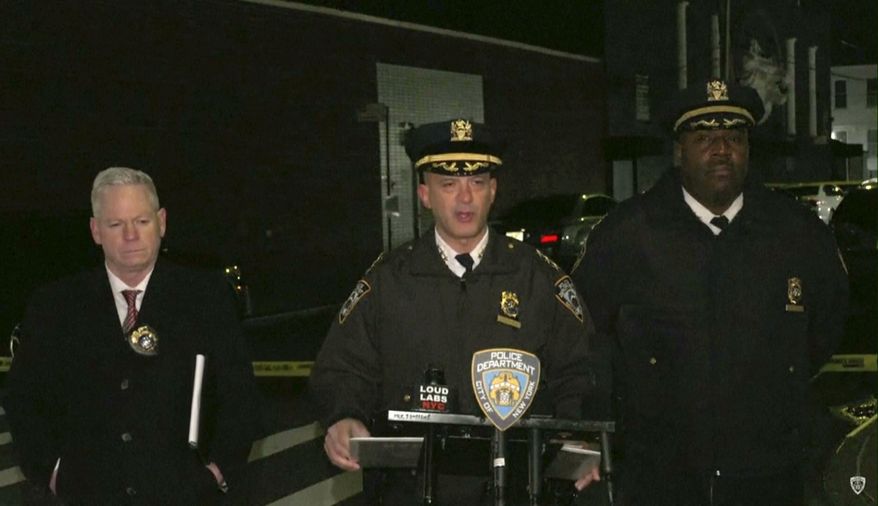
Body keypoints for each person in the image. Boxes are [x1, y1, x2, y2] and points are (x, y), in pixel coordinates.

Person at [571, 79, 849, 505]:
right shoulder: (626, 235)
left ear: (748, 148)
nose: (721, 149)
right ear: (679, 150)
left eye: (733, 137)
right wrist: (594, 432)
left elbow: (825, 329)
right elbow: (584, 336)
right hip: (659, 471)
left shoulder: (797, 235)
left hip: (770, 469)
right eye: (704, 138)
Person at [310, 119, 600, 504]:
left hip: (516, 488)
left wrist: (580, 437)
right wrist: (344, 416)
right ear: (424, 194)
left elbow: (582, 366)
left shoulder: (537, 279)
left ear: (493, 191)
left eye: (477, 183)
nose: (465, 198)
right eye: (448, 185)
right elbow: (343, 367)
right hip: (412, 490)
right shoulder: (388, 281)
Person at [5, 167, 261, 504]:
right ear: (96, 230)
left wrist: (215, 471)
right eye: (116, 224)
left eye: (141, 222)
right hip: (85, 495)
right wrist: (52, 474)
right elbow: (23, 398)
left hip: (186, 495)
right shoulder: (54, 305)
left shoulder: (206, 298)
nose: (131, 235)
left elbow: (239, 396)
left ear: (162, 222)